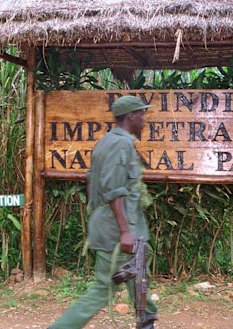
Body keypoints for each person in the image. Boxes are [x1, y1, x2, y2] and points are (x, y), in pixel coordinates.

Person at [48, 96, 158, 329]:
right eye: (141, 114)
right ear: (130, 116)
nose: (144, 119)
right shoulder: (120, 144)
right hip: (117, 231)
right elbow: (113, 191)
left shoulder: (108, 142)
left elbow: (95, 184)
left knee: (138, 281)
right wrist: (125, 231)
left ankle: (147, 321)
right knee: (103, 288)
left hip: (116, 227)